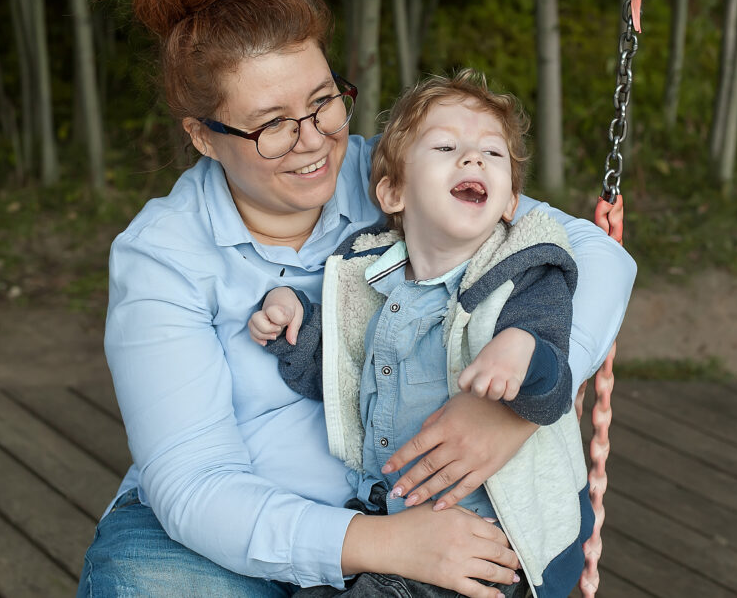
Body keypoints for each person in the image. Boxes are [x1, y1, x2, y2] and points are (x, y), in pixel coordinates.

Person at [79, 0, 636, 598]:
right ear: (203, 135)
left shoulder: (389, 180)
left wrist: (513, 412)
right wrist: (381, 544)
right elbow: (194, 486)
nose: (314, 141)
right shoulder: (163, 255)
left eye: (322, 102)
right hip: (227, 535)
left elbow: (593, 256)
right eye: (273, 124)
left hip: (411, 506)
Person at [250, 70, 590, 598]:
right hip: (392, 525)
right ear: (394, 193)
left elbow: (552, 379)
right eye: (447, 146)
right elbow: (340, 376)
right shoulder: (372, 281)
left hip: (488, 542)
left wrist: (520, 349)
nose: (473, 158)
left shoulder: (522, 276)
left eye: (492, 154)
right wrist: (294, 321)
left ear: (507, 204)